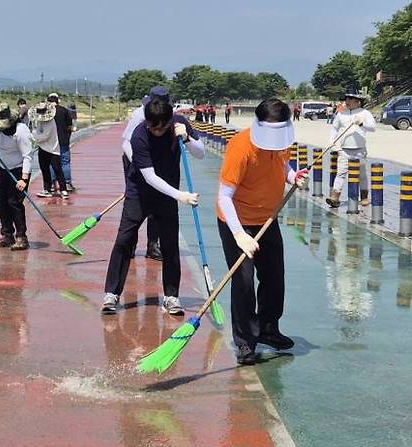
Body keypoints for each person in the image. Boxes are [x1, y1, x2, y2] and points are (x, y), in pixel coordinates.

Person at [216, 98, 306, 365]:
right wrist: (239, 234)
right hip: (237, 220)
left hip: (267, 218)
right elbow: (224, 196)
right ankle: (245, 342)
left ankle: (268, 328)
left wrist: (292, 177)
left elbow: (282, 164)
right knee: (243, 282)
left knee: (274, 277)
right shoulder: (240, 147)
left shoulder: (282, 142)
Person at [102, 98, 204, 316]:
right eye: (152, 126)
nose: (156, 131)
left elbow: (200, 153)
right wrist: (180, 196)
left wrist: (186, 139)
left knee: (169, 244)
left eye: (161, 127)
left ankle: (171, 296)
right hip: (140, 193)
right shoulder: (139, 135)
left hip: (166, 197)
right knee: (124, 239)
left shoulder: (179, 124)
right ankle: (111, 293)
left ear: (169, 121)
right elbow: (149, 177)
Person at [121, 87, 173, 261]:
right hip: (134, 161)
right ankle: (130, 245)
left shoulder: (168, 116)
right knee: (135, 206)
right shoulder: (139, 115)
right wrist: (139, 164)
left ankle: (152, 245)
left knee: (155, 207)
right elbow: (126, 143)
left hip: (154, 163)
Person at [0, 103, 33, 251]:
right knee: (1, 202)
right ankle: (7, 235)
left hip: (18, 170)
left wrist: (24, 179)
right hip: (4, 170)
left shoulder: (20, 131)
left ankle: (22, 237)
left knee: (14, 203)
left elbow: (27, 156)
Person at [326, 88, 376, 208]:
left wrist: (361, 123)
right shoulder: (341, 114)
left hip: (359, 149)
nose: (347, 101)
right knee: (341, 173)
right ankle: (335, 197)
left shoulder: (365, 113)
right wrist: (331, 140)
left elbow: (373, 128)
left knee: (362, 174)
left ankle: (364, 197)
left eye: (350, 99)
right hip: (344, 149)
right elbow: (334, 128)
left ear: (357, 100)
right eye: (346, 99)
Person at [29, 101, 68, 198]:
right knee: (44, 169)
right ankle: (47, 189)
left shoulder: (51, 121)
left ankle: (63, 189)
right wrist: (34, 135)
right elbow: (36, 131)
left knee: (57, 169)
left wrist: (33, 137)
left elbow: (45, 136)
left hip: (53, 149)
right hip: (43, 148)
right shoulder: (38, 121)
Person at [47, 93, 75, 192]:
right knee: (65, 162)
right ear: (57, 101)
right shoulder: (64, 110)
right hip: (63, 140)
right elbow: (69, 126)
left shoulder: (47, 112)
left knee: (51, 163)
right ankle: (67, 183)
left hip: (50, 142)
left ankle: (52, 184)